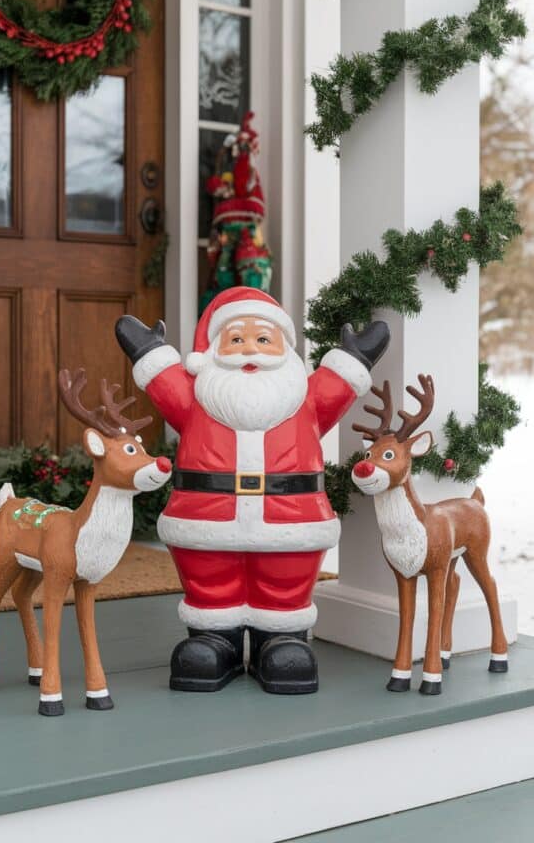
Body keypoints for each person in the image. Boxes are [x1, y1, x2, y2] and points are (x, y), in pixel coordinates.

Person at [115, 287, 389, 694]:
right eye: (236, 339)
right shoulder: (197, 398)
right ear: (212, 351)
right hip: (206, 517)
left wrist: (355, 357)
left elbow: (338, 383)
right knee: (210, 583)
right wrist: (148, 351)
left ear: (286, 349)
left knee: (284, 582)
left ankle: (280, 640)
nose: (249, 350)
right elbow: (164, 381)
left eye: (263, 338)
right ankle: (214, 640)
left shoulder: (305, 397)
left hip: (290, 518)